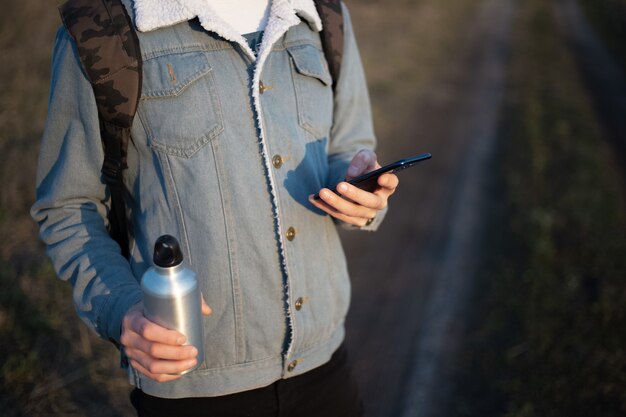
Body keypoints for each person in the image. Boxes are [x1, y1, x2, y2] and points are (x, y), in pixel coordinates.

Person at [31, 0, 399, 415]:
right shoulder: (101, 29)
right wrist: (122, 310)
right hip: (195, 387)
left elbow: (347, 146)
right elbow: (67, 207)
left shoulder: (323, 12)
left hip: (325, 366)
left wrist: (359, 191)